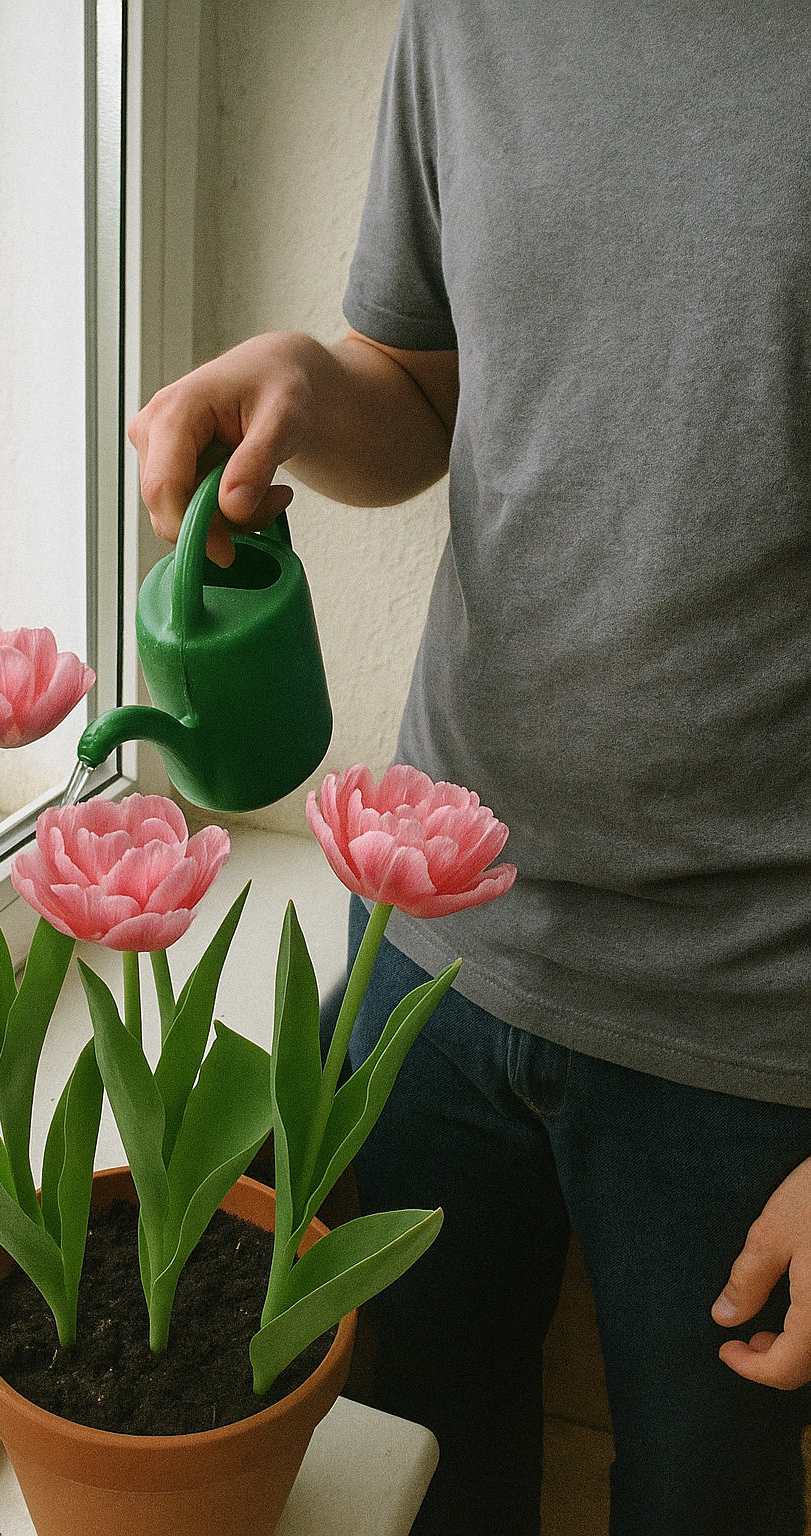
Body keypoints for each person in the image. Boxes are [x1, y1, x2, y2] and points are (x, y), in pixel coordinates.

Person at [129, 4, 811, 1532]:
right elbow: (423, 388)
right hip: (428, 952)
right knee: (416, 1478)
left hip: (761, 1034)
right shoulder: (464, 20)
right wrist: (311, 381)